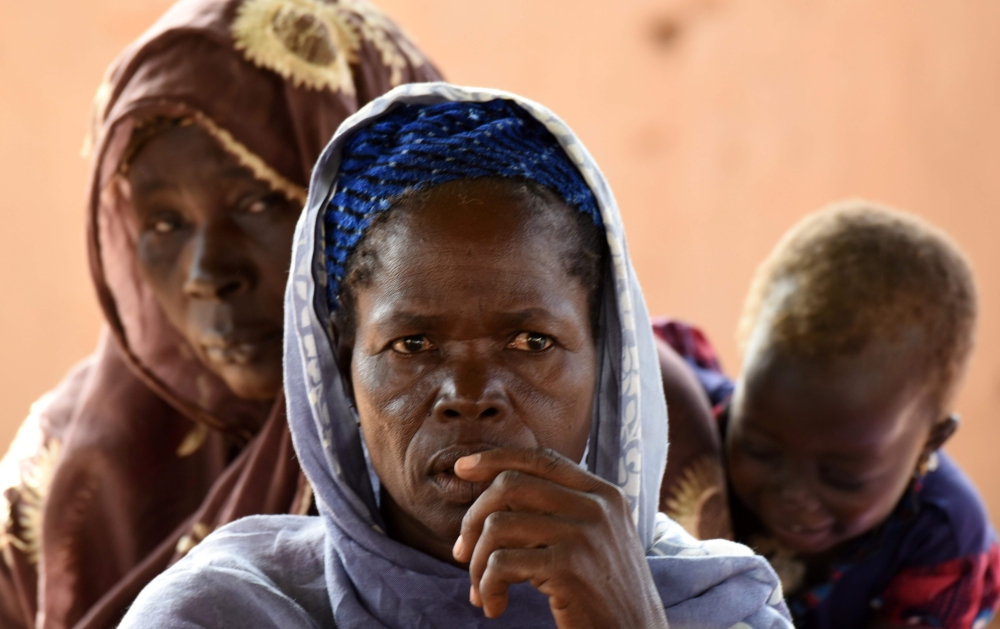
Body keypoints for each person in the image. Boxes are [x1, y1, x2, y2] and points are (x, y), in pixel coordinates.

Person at [117, 83, 792, 629]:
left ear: (607, 365)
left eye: (532, 342)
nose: (470, 393)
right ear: (345, 371)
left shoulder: (716, 607)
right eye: (411, 345)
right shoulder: (225, 612)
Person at [0, 1, 441, 627]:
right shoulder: (66, 477)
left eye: (262, 202)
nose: (208, 275)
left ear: (391, 201)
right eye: (165, 222)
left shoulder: (487, 429)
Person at [659, 202, 1000, 629]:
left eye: (841, 477)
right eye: (761, 449)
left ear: (929, 443)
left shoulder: (940, 539)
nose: (793, 496)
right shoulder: (682, 409)